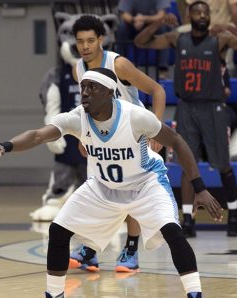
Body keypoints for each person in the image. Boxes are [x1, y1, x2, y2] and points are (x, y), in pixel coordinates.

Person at [0, 67, 223, 298]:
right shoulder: (78, 117)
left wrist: (200, 187)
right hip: (103, 187)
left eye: (92, 88)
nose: (85, 93)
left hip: (145, 184)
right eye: (83, 88)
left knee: (172, 232)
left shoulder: (135, 117)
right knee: (58, 231)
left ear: (110, 92)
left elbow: (178, 142)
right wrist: (5, 146)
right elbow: (37, 135)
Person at [134, 1, 237, 238]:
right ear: (189, 16)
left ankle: (234, 215)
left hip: (213, 108)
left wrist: (233, 28)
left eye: (206, 13)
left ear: (210, 17)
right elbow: (140, 42)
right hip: (186, 108)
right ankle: (187, 219)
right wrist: (158, 23)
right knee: (187, 164)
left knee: (223, 164)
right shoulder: (177, 39)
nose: (202, 16)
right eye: (198, 12)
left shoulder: (219, 40)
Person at [69, 15, 167, 273]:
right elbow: (89, 104)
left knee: (130, 192)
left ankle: (131, 249)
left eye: (91, 40)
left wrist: (155, 131)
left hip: (134, 131)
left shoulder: (118, 64)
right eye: (80, 42)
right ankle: (90, 250)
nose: (85, 46)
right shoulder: (78, 68)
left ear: (101, 40)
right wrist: (83, 134)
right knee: (100, 191)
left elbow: (157, 90)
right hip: (104, 135)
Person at [116, 0, 173, 78]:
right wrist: (133, 20)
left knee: (163, 28)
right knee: (121, 28)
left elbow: (161, 15)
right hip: (134, 24)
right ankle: (119, 65)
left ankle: (162, 68)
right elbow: (124, 15)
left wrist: (144, 19)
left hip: (153, 25)